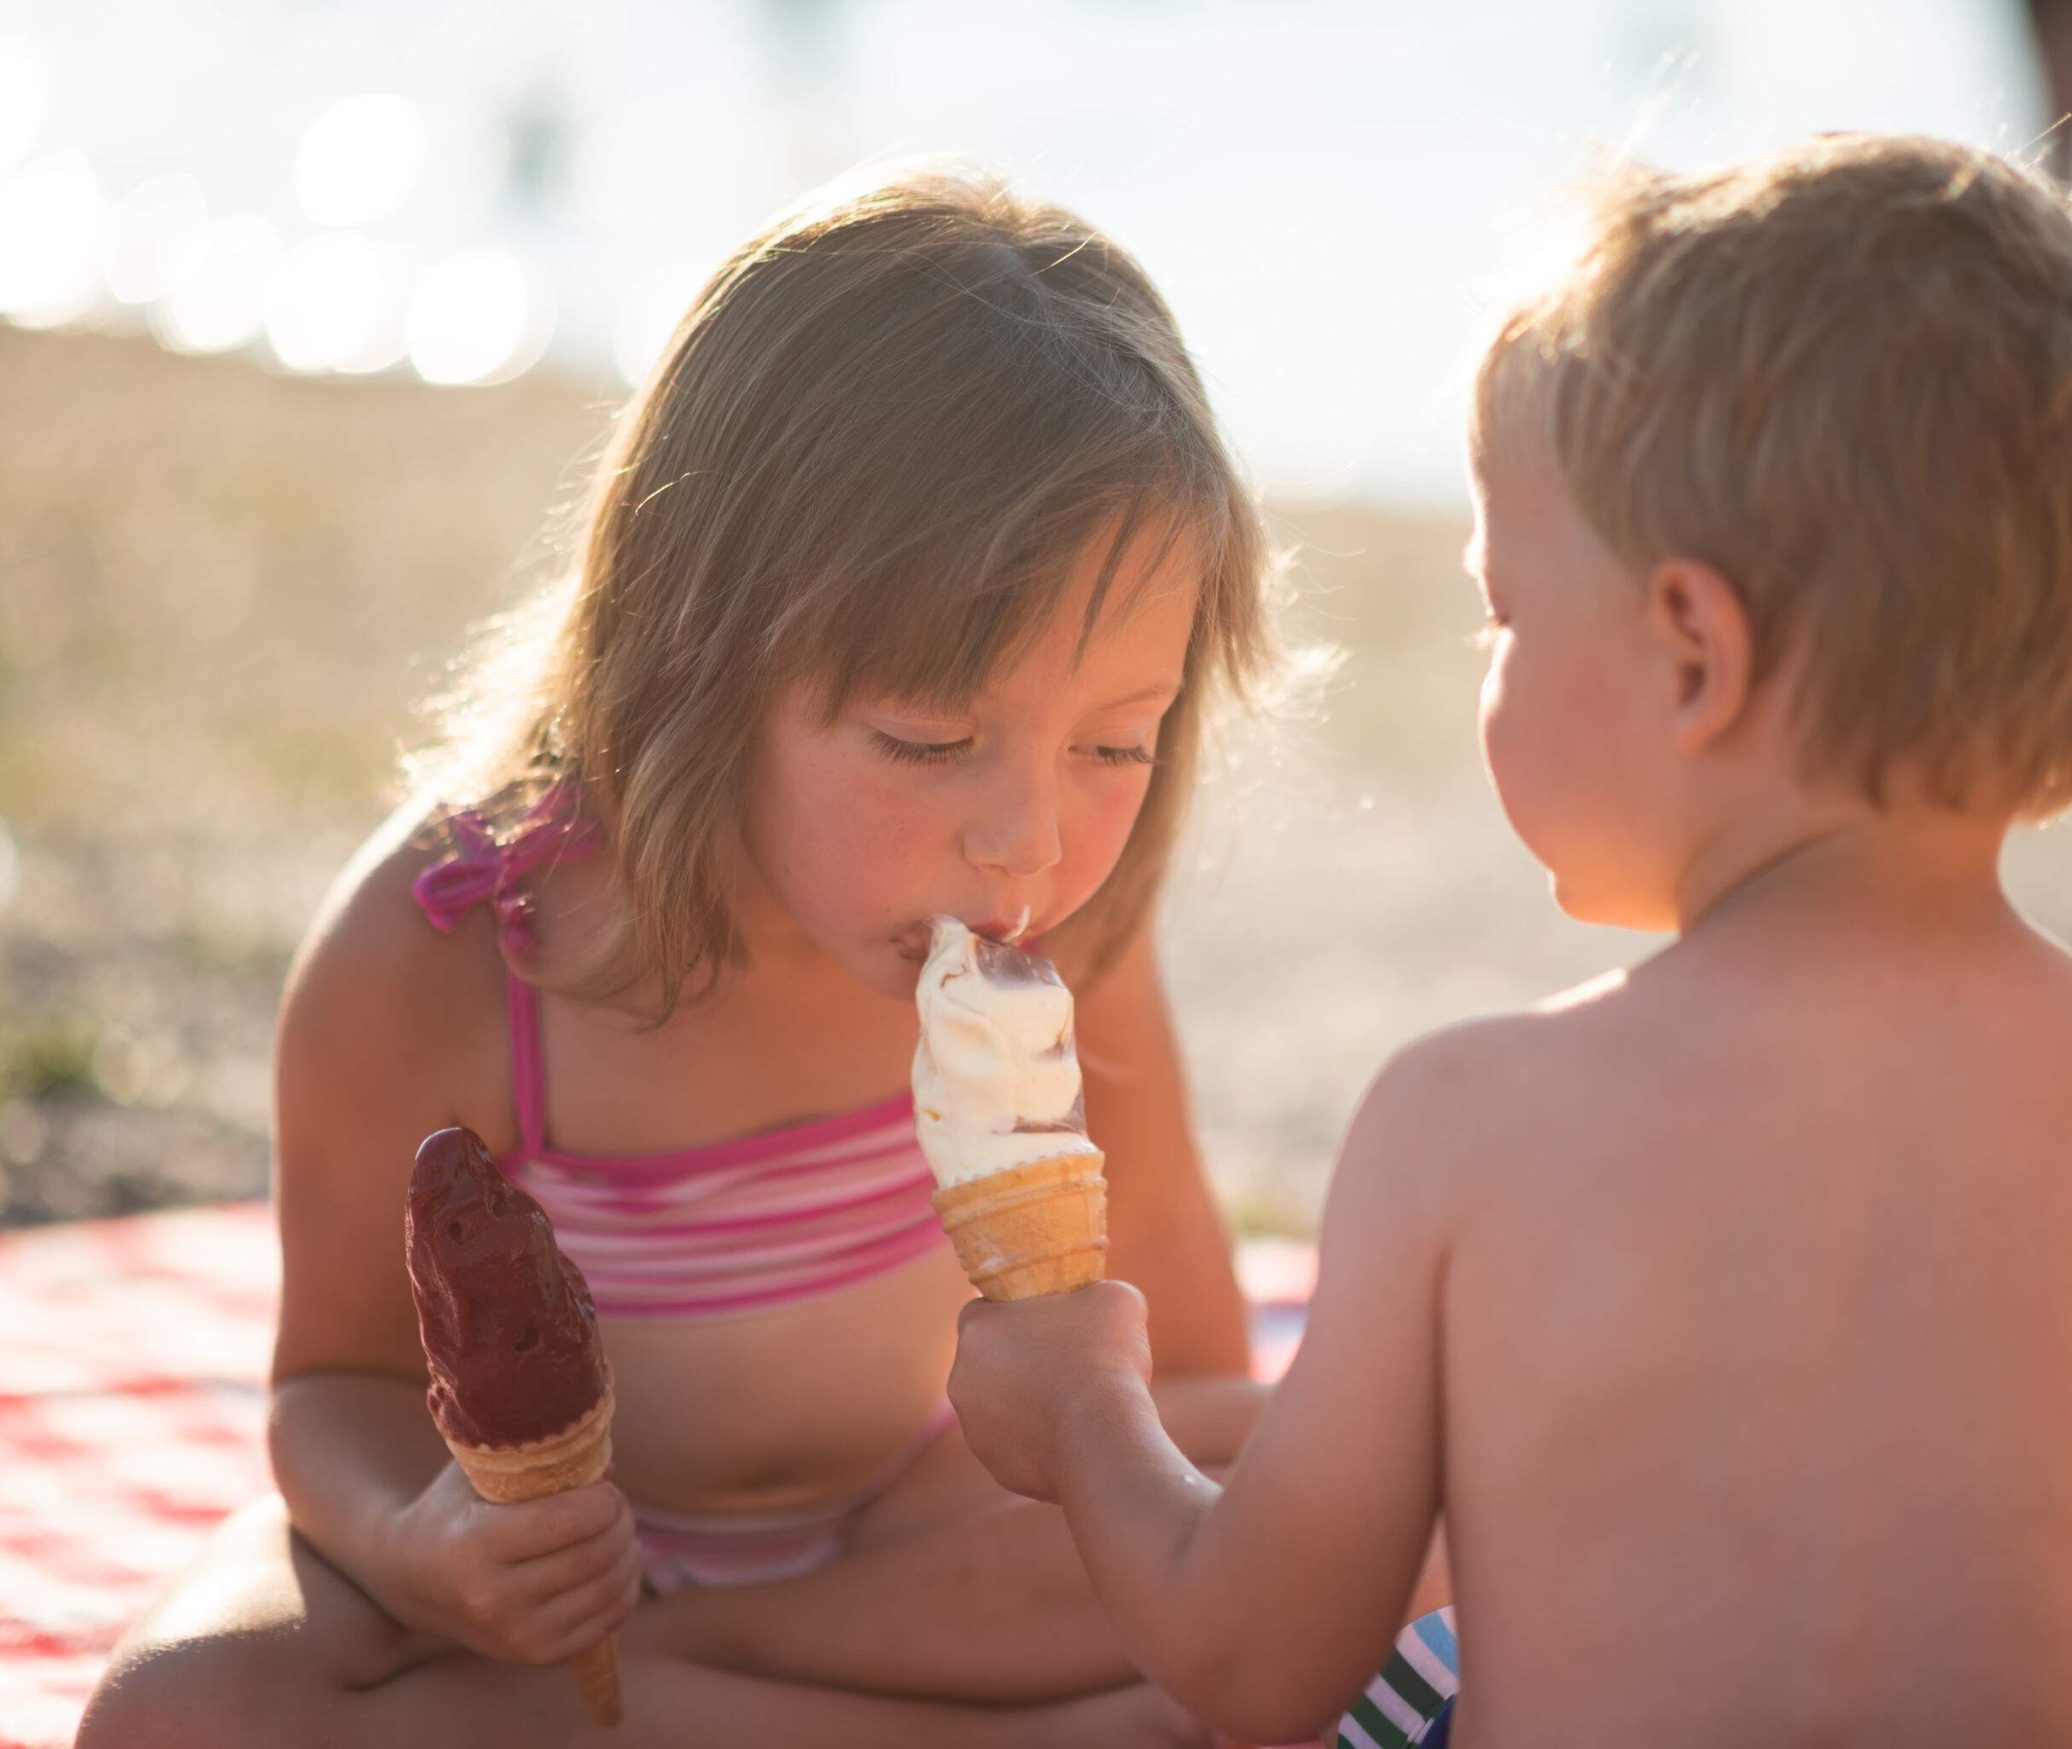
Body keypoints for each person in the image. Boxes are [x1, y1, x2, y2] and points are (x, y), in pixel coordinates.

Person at [945, 135, 2072, 1749]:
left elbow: (1249, 1656)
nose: (1491, 664)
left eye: (1506, 614)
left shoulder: (1471, 1119)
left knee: (1420, 1640)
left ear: (1694, 653)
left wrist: (1087, 1409)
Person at [80, 167, 1276, 1748]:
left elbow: (1186, 1379)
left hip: (912, 1545)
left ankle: (662, 1708)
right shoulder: (445, 961)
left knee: (1394, 1493)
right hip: (545, 1583)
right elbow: (337, 1390)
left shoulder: (1062, 936)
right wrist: (432, 1544)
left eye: (1117, 742)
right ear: (697, 658)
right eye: (929, 739)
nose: (1028, 842)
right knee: (184, 1709)